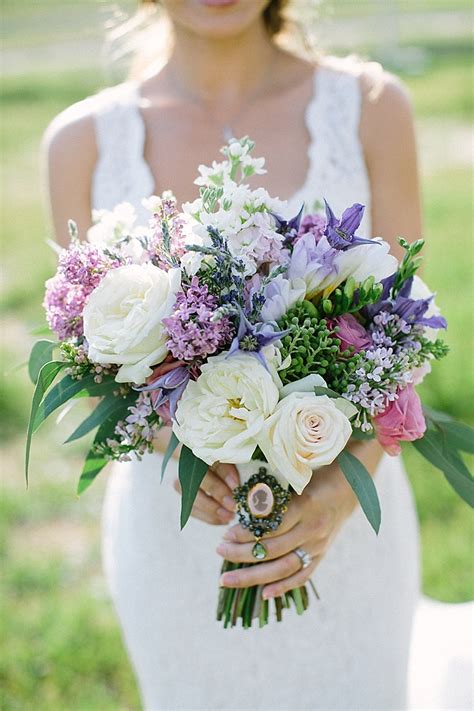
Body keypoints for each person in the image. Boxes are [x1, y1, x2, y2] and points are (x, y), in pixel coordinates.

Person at [43, 1, 425, 708]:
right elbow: (90, 363)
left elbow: (404, 338)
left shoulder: (372, 107)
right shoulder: (81, 143)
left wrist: (346, 487)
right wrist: (178, 443)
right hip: (180, 528)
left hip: (344, 523)